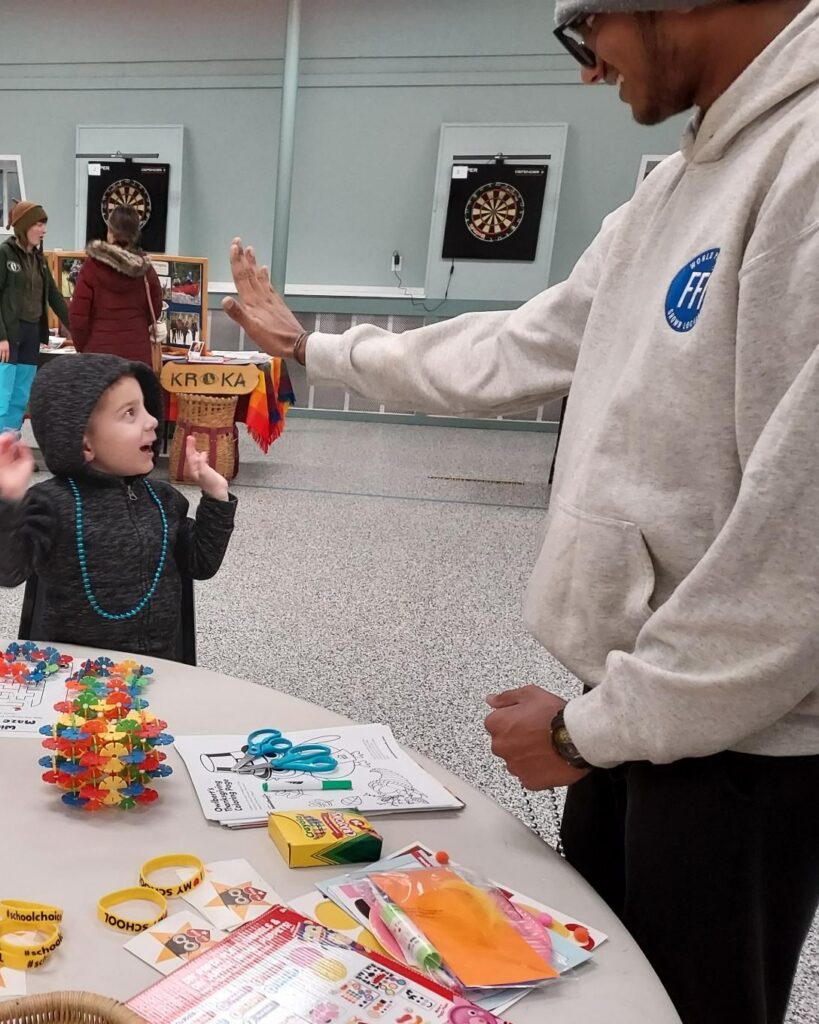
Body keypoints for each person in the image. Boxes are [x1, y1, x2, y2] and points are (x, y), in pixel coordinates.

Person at [220, 2, 819, 1021]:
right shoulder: (679, 184)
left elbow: (794, 561)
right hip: (633, 716)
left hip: (737, 756)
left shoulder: (802, 170)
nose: (589, 72)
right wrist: (312, 348)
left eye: (588, 32)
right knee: (598, 995)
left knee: (692, 1002)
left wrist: (588, 734)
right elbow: (519, 344)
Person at [0, 353, 237, 659]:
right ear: (84, 443)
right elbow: (9, 571)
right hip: (75, 676)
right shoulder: (50, 504)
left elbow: (201, 564)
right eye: (130, 413)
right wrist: (9, 501)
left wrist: (216, 494)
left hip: (158, 668)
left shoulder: (164, 500)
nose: (152, 421)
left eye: (147, 409)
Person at [0, 200, 70, 433]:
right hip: (8, 336)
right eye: (38, 224)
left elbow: (54, 296)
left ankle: (9, 446)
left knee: (21, 394)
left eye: (44, 225)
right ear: (24, 226)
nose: (44, 230)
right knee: (3, 393)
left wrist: (76, 327)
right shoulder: (4, 254)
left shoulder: (39, 260)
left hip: (31, 333)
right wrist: (1, 337)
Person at [69, 206, 162, 367]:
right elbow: (155, 309)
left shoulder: (91, 268)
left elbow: (78, 317)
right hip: (138, 358)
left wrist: (83, 348)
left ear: (109, 231)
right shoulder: (146, 271)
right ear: (135, 233)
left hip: (97, 357)